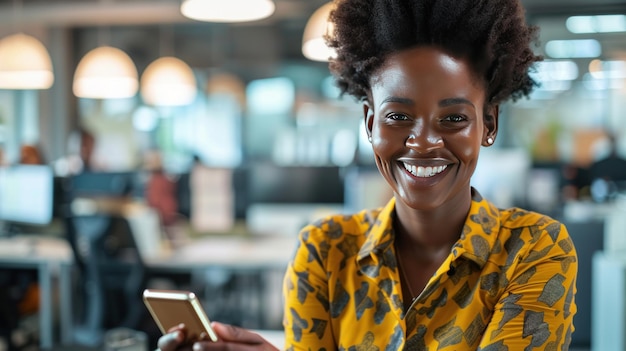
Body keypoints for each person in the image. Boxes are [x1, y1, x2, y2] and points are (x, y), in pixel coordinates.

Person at [157, 0, 578, 350]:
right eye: (398, 116)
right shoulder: (325, 253)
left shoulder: (533, 251)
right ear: (370, 123)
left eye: (453, 118)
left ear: (488, 125)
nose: (424, 141)